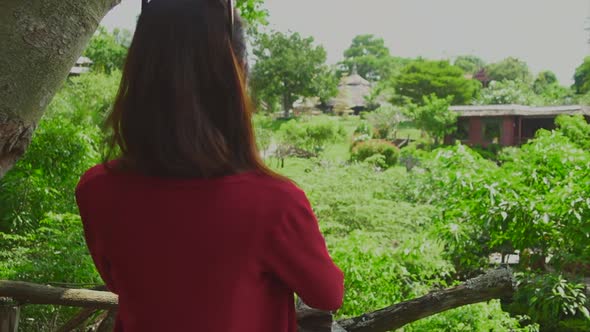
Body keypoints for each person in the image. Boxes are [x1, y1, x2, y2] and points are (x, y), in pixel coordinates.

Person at [75, 0, 344, 331]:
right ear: (237, 72)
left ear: (140, 71)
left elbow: (119, 280)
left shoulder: (96, 189)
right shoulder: (275, 204)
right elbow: (327, 294)